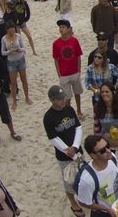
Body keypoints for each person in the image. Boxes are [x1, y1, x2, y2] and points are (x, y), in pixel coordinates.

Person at [43, 85, 85, 217]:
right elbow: (53, 138)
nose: (62, 101)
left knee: (84, 176)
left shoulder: (69, 109)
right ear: (52, 100)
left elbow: (78, 127)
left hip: (78, 151)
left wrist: (75, 147)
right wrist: (68, 151)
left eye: (63, 98)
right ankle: (73, 203)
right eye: (59, 99)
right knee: (69, 182)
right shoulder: (48, 117)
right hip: (64, 157)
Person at [77, 135, 118, 216]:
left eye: (108, 146)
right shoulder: (87, 179)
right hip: (102, 213)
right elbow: (83, 202)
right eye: (102, 151)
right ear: (93, 155)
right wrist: (107, 209)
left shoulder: (112, 158)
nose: (108, 151)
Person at [52, 19, 84, 119]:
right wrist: (58, 73)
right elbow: (56, 59)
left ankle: (79, 111)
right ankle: (69, 115)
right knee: (67, 98)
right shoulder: (56, 43)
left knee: (77, 93)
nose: (61, 29)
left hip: (74, 72)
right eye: (60, 27)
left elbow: (78, 56)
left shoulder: (74, 41)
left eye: (63, 27)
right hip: (64, 74)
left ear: (68, 29)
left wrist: (79, 70)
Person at [1, 21, 32, 110]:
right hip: (11, 62)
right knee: (13, 83)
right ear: (7, 31)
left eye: (13, 31)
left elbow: (23, 48)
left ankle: (27, 97)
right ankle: (14, 101)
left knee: (24, 80)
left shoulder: (18, 36)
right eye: (10, 31)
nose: (12, 32)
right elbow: (2, 52)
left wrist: (19, 49)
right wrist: (9, 51)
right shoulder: (3, 39)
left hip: (20, 60)